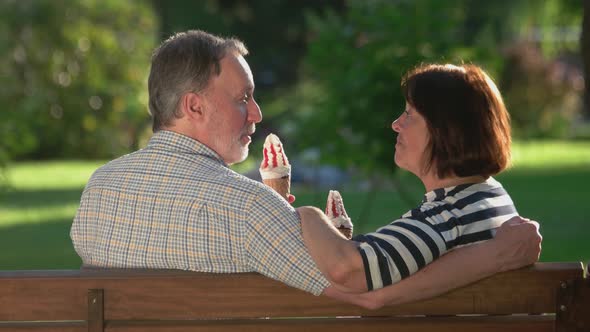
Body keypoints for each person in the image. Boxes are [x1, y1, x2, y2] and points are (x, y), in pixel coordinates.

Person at [70, 31, 540, 306]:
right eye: (242, 99)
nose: (256, 114)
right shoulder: (251, 207)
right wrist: (495, 256)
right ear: (193, 106)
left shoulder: (97, 191)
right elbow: (362, 297)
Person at [298, 63, 542, 308]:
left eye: (409, 113)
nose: (396, 124)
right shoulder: (492, 197)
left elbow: (346, 269)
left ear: (445, 129)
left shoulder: (445, 218)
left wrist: (309, 215)